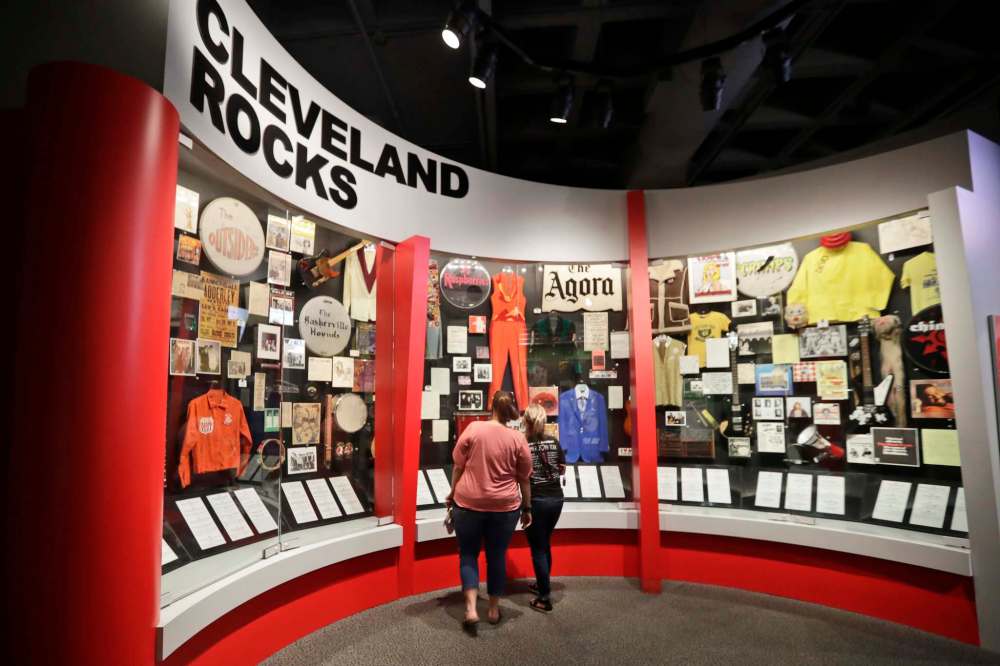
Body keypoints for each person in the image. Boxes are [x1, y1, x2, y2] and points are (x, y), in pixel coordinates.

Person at [446, 391, 532, 635]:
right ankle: (493, 609)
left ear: (490, 406)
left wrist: (452, 494)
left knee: (468, 555)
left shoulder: (474, 429)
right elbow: (524, 479)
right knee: (496, 555)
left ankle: (472, 609)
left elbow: (457, 467)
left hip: (468, 504)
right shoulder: (517, 438)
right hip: (504, 509)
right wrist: (527, 508)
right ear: (511, 410)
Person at [522, 403, 565, 613]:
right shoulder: (554, 441)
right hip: (557, 499)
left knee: (538, 548)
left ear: (527, 422)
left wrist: (526, 508)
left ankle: (544, 597)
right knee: (545, 543)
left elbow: (521, 475)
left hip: (537, 501)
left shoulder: (523, 444)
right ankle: (542, 584)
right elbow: (562, 469)